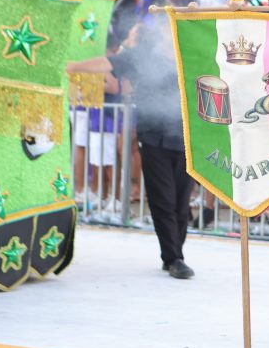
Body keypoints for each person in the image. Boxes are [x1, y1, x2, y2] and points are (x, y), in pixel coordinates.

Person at [66, 20, 195, 280]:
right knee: (164, 199)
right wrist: (73, 67)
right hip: (153, 137)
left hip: (186, 139)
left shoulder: (189, 53)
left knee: (182, 203)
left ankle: (175, 251)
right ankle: (173, 257)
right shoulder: (140, 57)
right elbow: (106, 63)